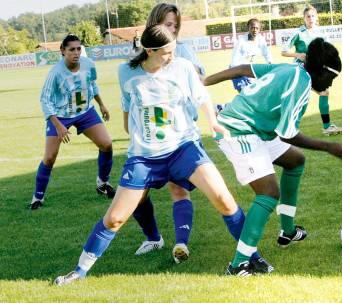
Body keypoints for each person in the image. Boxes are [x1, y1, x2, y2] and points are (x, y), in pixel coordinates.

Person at [53, 25, 271, 286]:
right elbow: (127, 107)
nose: (172, 56)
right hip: (143, 158)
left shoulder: (182, 67)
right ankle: (79, 270)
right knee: (114, 219)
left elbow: (202, 96)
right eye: (167, 52)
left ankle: (252, 258)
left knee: (224, 200)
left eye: (174, 50)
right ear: (150, 51)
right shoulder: (126, 72)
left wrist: (212, 122)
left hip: (183, 148)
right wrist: (138, 133)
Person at [204, 38, 342, 275]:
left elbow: (242, 69)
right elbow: (288, 134)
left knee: (295, 161)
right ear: (321, 71)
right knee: (268, 192)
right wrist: (329, 147)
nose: (330, 85)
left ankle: (288, 231)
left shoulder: (291, 68)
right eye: (331, 78)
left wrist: (204, 82)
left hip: (259, 130)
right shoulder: (301, 84)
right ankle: (238, 264)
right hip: (238, 130)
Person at [131, 3, 207, 264]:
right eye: (166, 25)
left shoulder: (183, 52)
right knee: (137, 195)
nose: (172, 30)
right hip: (149, 142)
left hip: (181, 134)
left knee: (178, 190)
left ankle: (181, 244)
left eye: (175, 25)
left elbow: (200, 84)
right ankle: (153, 238)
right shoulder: (139, 59)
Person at [28, 34, 115, 210]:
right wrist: (58, 125)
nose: (76, 53)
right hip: (59, 115)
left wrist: (102, 105)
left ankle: (102, 183)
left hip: (85, 112)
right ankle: (37, 197)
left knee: (106, 144)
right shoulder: (55, 73)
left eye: (78, 49)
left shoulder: (88, 64)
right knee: (50, 157)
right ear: (62, 51)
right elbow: (45, 99)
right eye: (71, 49)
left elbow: (92, 85)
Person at [281, 5, 342, 136]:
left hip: (315, 71)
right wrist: (298, 55)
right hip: (300, 70)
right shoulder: (299, 33)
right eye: (308, 16)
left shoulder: (322, 34)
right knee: (311, 96)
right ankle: (324, 127)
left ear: (317, 17)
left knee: (322, 93)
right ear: (304, 18)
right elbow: (283, 51)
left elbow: (327, 53)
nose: (310, 18)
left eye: (312, 16)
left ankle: (326, 127)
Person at [230, 18, 272, 92]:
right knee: (244, 94)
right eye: (252, 28)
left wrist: (270, 63)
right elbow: (235, 58)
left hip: (249, 70)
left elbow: (266, 53)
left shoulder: (261, 40)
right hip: (237, 70)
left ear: (259, 29)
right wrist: (235, 72)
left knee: (254, 93)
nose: (254, 30)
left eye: (256, 28)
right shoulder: (241, 41)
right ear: (248, 28)